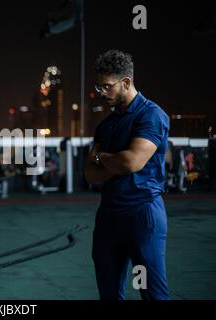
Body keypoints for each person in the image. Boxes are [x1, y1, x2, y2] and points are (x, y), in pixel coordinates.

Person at [84, 50, 170, 300]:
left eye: (107, 87)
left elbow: (132, 162)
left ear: (126, 83)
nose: (102, 93)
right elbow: (90, 174)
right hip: (109, 217)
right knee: (109, 295)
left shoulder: (151, 115)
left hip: (142, 216)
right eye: (99, 87)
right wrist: (113, 162)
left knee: (153, 295)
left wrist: (102, 158)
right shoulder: (106, 125)